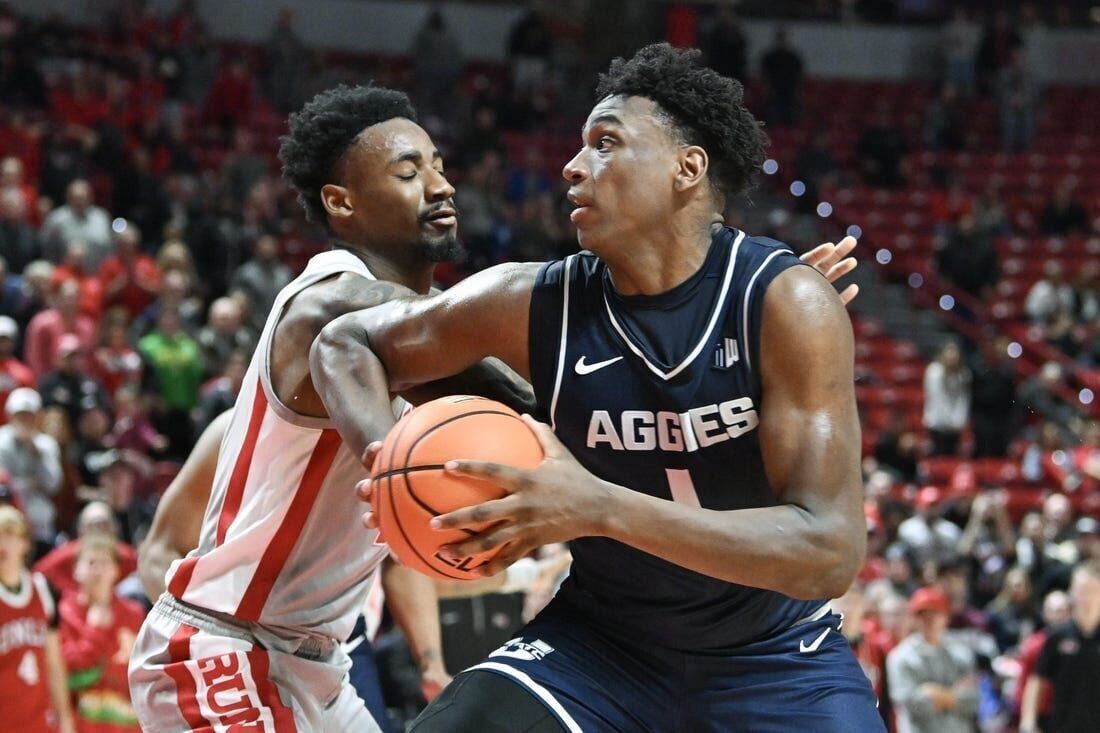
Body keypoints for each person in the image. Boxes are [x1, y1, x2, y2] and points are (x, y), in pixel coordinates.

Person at [313, 44, 877, 731]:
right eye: (580, 148)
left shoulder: (786, 303)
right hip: (599, 646)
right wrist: (386, 457)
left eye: (605, 143)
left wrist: (600, 506)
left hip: (774, 654)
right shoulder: (530, 300)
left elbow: (829, 550)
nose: (573, 167)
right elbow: (347, 340)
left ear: (686, 168)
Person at [0, 505, 76, 733]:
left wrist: (65, 719)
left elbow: (54, 661)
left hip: (40, 718)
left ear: (24, 543)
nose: (4, 544)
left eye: (10, 535)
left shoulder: (42, 589)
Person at [58, 533, 145, 732]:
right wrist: (94, 630)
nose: (98, 570)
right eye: (91, 563)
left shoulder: (133, 613)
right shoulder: (64, 613)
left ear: (116, 570)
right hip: (83, 725)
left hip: (127, 726)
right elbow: (69, 672)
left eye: (105, 563)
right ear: (76, 570)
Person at [1020, 559, 1100, 733]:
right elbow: (1037, 679)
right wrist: (1028, 721)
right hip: (1063, 726)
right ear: (1071, 593)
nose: (1085, 598)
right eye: (1081, 591)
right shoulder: (1058, 636)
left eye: (1092, 591)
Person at [886, 586, 978, 733]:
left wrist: (935, 693)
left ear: (945, 617)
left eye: (935, 614)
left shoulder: (961, 653)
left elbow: (973, 700)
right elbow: (911, 704)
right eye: (923, 615)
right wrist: (954, 695)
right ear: (914, 619)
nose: (930, 621)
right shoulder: (900, 656)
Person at [0, 388, 63, 559]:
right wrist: (31, 483)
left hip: (41, 526)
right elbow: (5, 486)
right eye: (20, 415)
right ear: (10, 415)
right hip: (9, 525)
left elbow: (53, 484)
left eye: (29, 416)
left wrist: (36, 454)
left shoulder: (46, 445)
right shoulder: (2, 442)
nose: (25, 421)